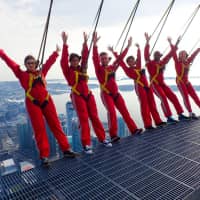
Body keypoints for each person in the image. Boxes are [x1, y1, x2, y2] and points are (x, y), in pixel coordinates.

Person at [0, 46, 78, 167]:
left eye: (33, 63)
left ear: (35, 63)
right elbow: (11, 64)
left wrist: (56, 53)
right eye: (28, 63)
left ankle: (66, 149)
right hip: (33, 103)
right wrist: (1, 53)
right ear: (25, 64)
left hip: (47, 100)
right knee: (39, 129)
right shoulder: (22, 74)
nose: (31, 65)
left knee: (56, 125)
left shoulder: (41, 73)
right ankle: (44, 156)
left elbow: (48, 64)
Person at [60, 31, 112, 154]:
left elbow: (85, 55)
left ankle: (102, 138)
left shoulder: (82, 68)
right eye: (72, 60)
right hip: (77, 96)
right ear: (70, 62)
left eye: (76, 60)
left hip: (88, 95)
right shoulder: (68, 71)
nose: (75, 62)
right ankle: (86, 144)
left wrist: (86, 42)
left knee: (94, 117)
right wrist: (65, 44)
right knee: (83, 119)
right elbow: (63, 61)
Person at [92, 32, 143, 143]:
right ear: (100, 60)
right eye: (102, 59)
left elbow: (120, 58)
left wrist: (128, 46)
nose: (104, 60)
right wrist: (95, 45)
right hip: (106, 94)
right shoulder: (99, 69)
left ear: (108, 59)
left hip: (116, 94)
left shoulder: (112, 67)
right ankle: (113, 135)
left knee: (125, 112)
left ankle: (133, 129)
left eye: (106, 58)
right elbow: (95, 58)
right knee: (112, 112)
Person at [108, 40, 166, 130]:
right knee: (144, 105)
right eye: (129, 62)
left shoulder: (138, 66)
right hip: (139, 87)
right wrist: (113, 52)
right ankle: (148, 124)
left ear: (134, 62)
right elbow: (120, 61)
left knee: (152, 104)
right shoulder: (127, 70)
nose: (131, 62)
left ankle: (158, 121)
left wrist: (139, 49)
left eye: (132, 61)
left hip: (147, 86)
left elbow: (139, 58)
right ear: (128, 63)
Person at [144, 32, 188, 124]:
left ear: (160, 56)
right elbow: (146, 55)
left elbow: (171, 54)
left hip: (162, 84)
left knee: (173, 96)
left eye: (158, 55)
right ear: (154, 56)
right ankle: (169, 117)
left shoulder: (162, 62)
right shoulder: (150, 63)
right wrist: (147, 42)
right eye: (156, 54)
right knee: (163, 97)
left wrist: (175, 43)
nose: (157, 56)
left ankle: (180, 114)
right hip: (154, 84)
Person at [168, 37, 200, 119]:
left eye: (184, 54)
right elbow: (173, 53)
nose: (182, 55)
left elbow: (194, 54)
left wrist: (198, 49)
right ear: (179, 56)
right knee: (185, 96)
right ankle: (190, 112)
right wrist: (172, 43)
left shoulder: (188, 61)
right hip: (180, 81)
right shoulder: (177, 62)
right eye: (181, 54)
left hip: (187, 81)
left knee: (195, 96)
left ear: (186, 55)